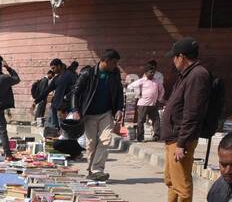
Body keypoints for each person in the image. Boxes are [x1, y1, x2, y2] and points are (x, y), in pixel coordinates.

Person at [158, 37, 212, 202]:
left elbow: (192, 112)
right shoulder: (186, 74)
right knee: (170, 179)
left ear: (181, 56)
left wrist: (182, 142)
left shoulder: (198, 75)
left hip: (181, 138)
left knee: (182, 182)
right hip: (173, 136)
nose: (173, 61)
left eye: (174, 57)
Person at [70, 49, 125, 181]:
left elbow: (119, 92)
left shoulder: (115, 74)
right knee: (91, 143)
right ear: (105, 61)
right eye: (114, 62)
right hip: (89, 114)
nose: (115, 66)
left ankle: (97, 169)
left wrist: (119, 109)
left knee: (105, 140)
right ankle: (91, 170)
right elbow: (75, 93)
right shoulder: (87, 74)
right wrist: (75, 110)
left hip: (106, 113)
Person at [125, 63, 165, 142]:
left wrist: (159, 98)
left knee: (156, 120)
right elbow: (130, 86)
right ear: (146, 73)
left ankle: (156, 136)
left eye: (153, 72)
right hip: (143, 105)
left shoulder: (157, 82)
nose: (152, 74)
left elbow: (162, 90)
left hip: (153, 105)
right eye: (150, 72)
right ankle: (140, 138)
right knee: (141, 121)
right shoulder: (141, 81)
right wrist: (137, 93)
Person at [50, 60, 77, 131]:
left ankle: (60, 129)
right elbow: (48, 89)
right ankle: (58, 128)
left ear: (59, 66)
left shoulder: (70, 76)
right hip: (61, 102)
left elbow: (76, 89)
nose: (53, 70)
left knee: (65, 122)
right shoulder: (58, 77)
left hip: (65, 103)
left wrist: (66, 97)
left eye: (53, 68)